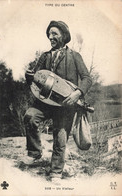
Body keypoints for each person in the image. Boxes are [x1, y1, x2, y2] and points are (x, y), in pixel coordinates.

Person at [24, 21, 92, 180]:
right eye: (49, 34)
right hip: (45, 103)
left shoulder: (74, 56)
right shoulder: (45, 56)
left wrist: (78, 93)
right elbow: (36, 80)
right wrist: (29, 77)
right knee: (30, 116)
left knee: (60, 138)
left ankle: (55, 172)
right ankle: (35, 152)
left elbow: (87, 79)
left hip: (66, 105)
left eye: (54, 33)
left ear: (64, 36)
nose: (50, 37)